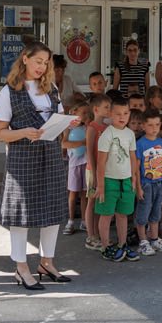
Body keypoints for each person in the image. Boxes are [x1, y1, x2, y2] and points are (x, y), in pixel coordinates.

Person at [0, 41, 75, 289]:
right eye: (38, 61)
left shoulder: (51, 88)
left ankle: (47, 263)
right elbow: (0, 133)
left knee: (52, 211)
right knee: (21, 214)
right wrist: (23, 132)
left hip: (51, 155)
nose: (42, 67)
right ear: (25, 59)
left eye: (46, 63)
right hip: (22, 159)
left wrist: (67, 123)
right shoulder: (8, 92)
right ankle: (21, 268)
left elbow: (58, 119)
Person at [96, 96, 140, 262]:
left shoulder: (130, 134)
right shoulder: (107, 134)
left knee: (123, 214)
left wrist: (134, 178)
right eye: (118, 114)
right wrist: (101, 185)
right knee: (106, 215)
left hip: (126, 180)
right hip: (109, 181)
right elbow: (101, 162)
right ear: (110, 114)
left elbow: (133, 157)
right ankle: (105, 246)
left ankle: (122, 244)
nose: (122, 117)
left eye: (125, 113)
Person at [135, 110, 162, 256]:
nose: (154, 128)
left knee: (156, 212)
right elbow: (136, 168)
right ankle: (143, 241)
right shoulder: (140, 144)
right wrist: (138, 187)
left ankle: (154, 239)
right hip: (146, 184)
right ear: (143, 126)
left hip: (160, 183)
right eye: (150, 125)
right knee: (143, 213)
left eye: (157, 124)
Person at [83, 94, 112, 251]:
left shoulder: (107, 128)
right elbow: (89, 152)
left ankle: (99, 234)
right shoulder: (92, 128)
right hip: (93, 171)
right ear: (96, 109)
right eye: (106, 107)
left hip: (104, 170)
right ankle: (90, 236)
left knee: (100, 202)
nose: (109, 110)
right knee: (91, 202)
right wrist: (94, 174)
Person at [61, 101, 91, 236]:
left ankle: (84, 221)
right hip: (74, 164)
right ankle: (71, 221)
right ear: (74, 112)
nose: (85, 115)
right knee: (73, 193)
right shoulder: (69, 128)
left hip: (86, 163)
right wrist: (82, 143)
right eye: (83, 113)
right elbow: (64, 144)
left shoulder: (87, 127)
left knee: (84, 193)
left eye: (87, 113)